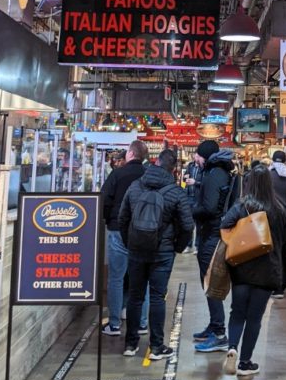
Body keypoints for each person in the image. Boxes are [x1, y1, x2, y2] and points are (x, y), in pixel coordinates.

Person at [119, 148, 193, 359]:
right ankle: (157, 347)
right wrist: (177, 246)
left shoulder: (135, 187)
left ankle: (130, 345)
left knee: (135, 297)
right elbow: (188, 226)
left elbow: (123, 218)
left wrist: (130, 242)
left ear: (155, 163)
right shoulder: (175, 192)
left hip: (136, 251)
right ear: (173, 169)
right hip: (162, 252)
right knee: (158, 298)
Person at [220, 164, 286, 377]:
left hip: (241, 267)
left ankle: (232, 347)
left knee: (237, 312)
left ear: (249, 183)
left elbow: (224, 226)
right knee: (255, 318)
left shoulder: (242, 206)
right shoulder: (279, 209)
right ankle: (245, 362)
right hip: (267, 270)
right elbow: (284, 239)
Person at [192, 140, 237, 352]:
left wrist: (191, 209)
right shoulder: (220, 172)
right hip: (215, 232)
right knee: (209, 281)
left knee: (210, 282)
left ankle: (219, 333)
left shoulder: (214, 174)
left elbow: (209, 208)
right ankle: (214, 325)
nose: (195, 159)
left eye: (197, 155)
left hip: (211, 234)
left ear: (205, 156)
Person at [100, 140, 149, 337]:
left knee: (116, 278)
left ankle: (113, 324)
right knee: (141, 279)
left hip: (118, 230)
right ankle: (143, 323)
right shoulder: (149, 175)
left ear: (130, 154)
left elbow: (104, 199)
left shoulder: (117, 174)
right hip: (143, 232)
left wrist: (107, 219)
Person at [268, 150, 286, 297]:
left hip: (271, 221)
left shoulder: (267, 176)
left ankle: (276, 286)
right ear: (285, 162)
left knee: (274, 254)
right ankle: (285, 283)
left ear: (272, 161)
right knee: (285, 252)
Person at [182, 152, 203, 254]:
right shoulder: (190, 166)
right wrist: (185, 178)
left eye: (198, 156)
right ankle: (188, 245)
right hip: (189, 197)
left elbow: (205, 183)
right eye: (196, 155)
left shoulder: (203, 168)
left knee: (198, 223)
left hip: (198, 198)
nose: (196, 157)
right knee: (189, 223)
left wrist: (196, 182)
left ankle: (198, 246)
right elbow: (184, 179)